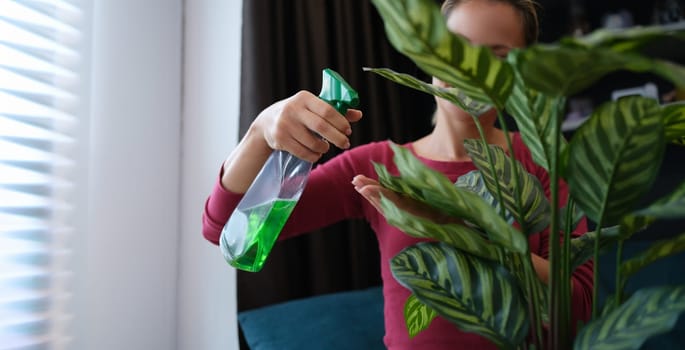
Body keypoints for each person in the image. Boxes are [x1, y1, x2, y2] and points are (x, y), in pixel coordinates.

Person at [202, 0, 593, 349]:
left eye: (498, 55)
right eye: (458, 50)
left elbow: (579, 304)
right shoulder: (379, 168)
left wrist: (461, 230)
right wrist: (260, 133)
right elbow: (225, 231)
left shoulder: (543, 159)